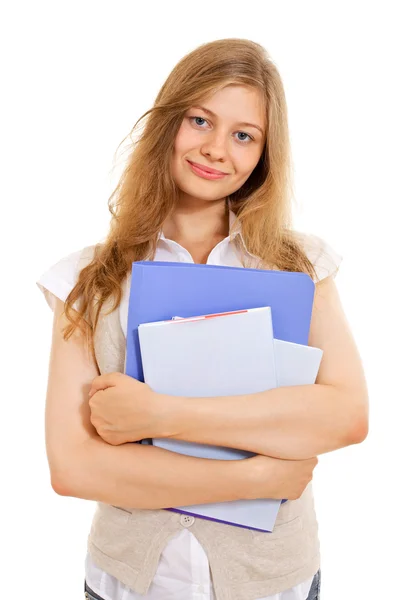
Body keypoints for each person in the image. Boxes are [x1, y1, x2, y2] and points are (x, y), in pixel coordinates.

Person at [36, 38, 369, 600]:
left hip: (273, 583)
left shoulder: (300, 267)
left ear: (264, 154)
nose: (217, 149)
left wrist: (157, 414)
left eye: (244, 135)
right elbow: (73, 467)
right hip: (128, 583)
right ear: (168, 123)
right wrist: (253, 477)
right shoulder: (86, 280)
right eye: (199, 120)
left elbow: (345, 416)